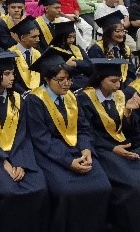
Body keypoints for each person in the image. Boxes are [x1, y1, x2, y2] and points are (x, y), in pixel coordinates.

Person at [24, 48, 112, 232]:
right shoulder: (34, 100)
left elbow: (83, 128)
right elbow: (41, 139)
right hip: (51, 155)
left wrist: (86, 149)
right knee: (67, 192)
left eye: (69, 79)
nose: (66, 84)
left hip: (78, 149)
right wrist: (69, 162)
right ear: (47, 79)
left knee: (103, 186)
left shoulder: (72, 96)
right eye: (61, 80)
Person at [0, 52, 49, 232]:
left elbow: (23, 134)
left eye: (13, 73)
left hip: (19, 153)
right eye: (7, 74)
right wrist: (3, 161)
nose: (13, 77)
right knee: (8, 192)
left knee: (39, 188)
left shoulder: (18, 99)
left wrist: (21, 162)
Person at [77, 58, 140, 232]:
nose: (118, 85)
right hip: (102, 149)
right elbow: (86, 132)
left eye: (119, 80)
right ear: (100, 80)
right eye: (113, 81)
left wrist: (128, 111)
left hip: (124, 146)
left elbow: (129, 130)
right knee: (133, 186)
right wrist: (112, 148)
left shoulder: (121, 96)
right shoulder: (84, 98)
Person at [88, 10, 136, 85]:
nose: (121, 34)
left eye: (123, 31)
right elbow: (95, 72)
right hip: (104, 86)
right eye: (118, 31)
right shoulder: (97, 49)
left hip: (125, 85)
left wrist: (127, 87)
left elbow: (131, 72)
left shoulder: (126, 49)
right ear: (108, 32)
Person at [49, 21, 92, 90]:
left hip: (84, 79)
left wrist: (75, 63)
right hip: (69, 83)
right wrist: (81, 65)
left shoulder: (77, 48)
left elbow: (89, 65)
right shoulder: (53, 50)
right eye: (69, 37)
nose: (72, 40)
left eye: (74, 37)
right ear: (61, 36)